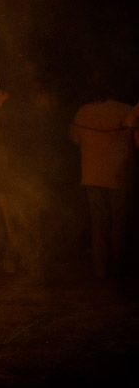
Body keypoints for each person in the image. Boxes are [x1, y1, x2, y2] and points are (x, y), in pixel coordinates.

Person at [70, 97, 139, 278]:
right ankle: (118, 269)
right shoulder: (128, 110)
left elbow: (74, 138)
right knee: (119, 223)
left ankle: (100, 270)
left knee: (98, 223)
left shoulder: (84, 111)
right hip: (119, 176)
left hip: (92, 175)